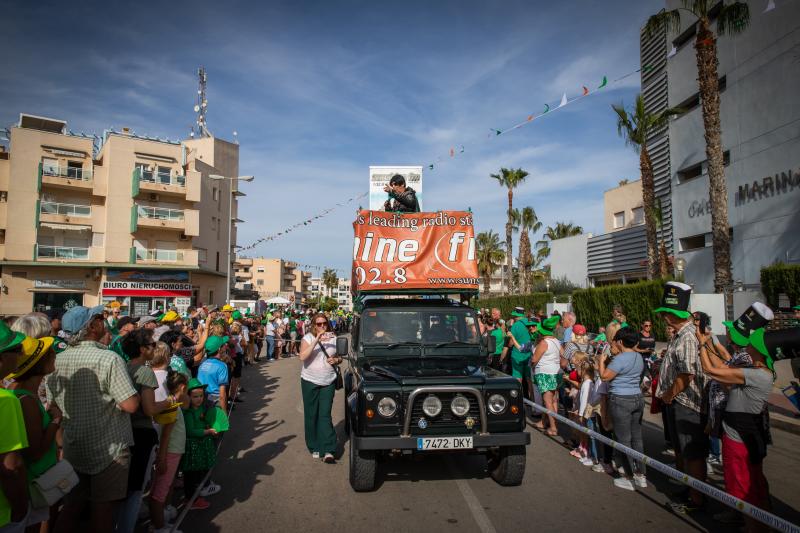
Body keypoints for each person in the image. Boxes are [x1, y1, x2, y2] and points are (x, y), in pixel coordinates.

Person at [45, 308, 139, 533]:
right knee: (103, 509)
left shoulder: (58, 360)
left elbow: (53, 407)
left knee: (72, 505)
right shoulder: (109, 358)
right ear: (92, 327)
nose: (104, 321)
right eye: (99, 319)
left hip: (74, 445)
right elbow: (131, 405)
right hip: (109, 449)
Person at [697, 324, 780, 532]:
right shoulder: (757, 371)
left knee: (744, 490)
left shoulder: (756, 374)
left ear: (760, 351)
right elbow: (723, 369)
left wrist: (701, 345)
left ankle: (755, 528)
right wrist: (708, 343)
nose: (747, 348)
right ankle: (763, 525)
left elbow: (711, 370)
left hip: (739, 438)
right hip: (746, 434)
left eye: (751, 345)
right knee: (755, 485)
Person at [654, 282, 708, 514]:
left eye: (666, 313)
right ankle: (690, 489)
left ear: (674, 314)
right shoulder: (680, 335)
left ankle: (697, 499)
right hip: (677, 402)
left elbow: (687, 373)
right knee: (683, 450)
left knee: (692, 452)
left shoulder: (686, 337)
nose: (664, 317)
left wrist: (668, 394)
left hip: (686, 403)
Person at [5, 335, 62, 533]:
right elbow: (34, 451)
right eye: (50, 354)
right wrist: (55, 421)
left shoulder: (20, 392)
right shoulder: (26, 399)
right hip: (33, 484)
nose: (55, 356)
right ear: (38, 364)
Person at [118, 329, 173, 533]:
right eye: (150, 344)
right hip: (141, 431)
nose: (153, 347)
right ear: (142, 350)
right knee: (136, 488)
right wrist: (167, 402)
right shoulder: (145, 371)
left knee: (125, 486)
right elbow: (150, 408)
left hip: (124, 430)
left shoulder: (124, 367)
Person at [599, 326, 647, 491]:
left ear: (620, 341)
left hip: (621, 399)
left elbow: (605, 377)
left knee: (623, 439)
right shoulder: (638, 356)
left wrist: (600, 362)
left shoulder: (620, 359)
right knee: (637, 438)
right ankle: (641, 474)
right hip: (637, 397)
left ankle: (628, 477)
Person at [0, 322, 32, 533]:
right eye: (15, 350)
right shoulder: (6, 400)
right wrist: (21, 507)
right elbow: (11, 466)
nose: (20, 354)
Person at [298, 313, 341, 463]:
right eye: (318, 324)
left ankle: (329, 449)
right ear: (313, 325)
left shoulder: (334, 339)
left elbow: (340, 357)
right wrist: (317, 339)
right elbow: (302, 357)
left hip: (328, 380)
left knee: (324, 414)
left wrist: (336, 359)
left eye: (324, 323)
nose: (322, 326)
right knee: (311, 415)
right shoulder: (308, 338)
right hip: (309, 380)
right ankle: (314, 446)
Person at [149, 370, 188, 533]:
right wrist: (162, 458)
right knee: (160, 491)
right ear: (183, 387)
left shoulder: (172, 403)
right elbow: (165, 435)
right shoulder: (171, 405)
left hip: (171, 452)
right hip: (170, 453)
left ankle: (160, 521)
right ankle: (159, 527)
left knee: (163, 487)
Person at [181, 379, 219, 511]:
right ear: (188, 397)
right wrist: (207, 431)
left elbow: (205, 422)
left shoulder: (202, 408)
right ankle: (190, 499)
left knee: (198, 471)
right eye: (195, 396)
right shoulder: (189, 412)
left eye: (201, 396)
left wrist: (210, 426)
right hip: (192, 446)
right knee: (190, 474)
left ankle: (197, 494)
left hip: (201, 444)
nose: (199, 399)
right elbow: (190, 431)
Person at [197, 336, 230, 408]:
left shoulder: (202, 363)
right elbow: (222, 394)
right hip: (216, 401)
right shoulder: (222, 366)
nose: (226, 345)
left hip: (202, 400)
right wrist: (224, 414)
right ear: (219, 349)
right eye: (223, 345)